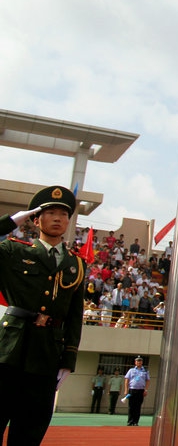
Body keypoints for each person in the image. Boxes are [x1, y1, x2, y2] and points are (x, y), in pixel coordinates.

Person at [0, 185, 85, 444]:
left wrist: (68, 358)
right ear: (36, 219)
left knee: (30, 430)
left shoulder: (75, 264)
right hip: (9, 351)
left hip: (46, 355)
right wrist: (13, 220)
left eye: (63, 214)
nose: (58, 218)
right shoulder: (14, 252)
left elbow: (74, 315)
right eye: (50, 213)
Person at [123, 355, 150, 426]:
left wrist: (146, 390)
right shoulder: (131, 370)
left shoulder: (145, 371)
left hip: (140, 390)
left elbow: (147, 381)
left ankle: (136, 422)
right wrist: (126, 390)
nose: (139, 362)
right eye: (137, 361)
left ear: (142, 362)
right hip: (132, 389)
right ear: (135, 362)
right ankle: (130, 421)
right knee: (131, 406)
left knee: (138, 406)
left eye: (140, 361)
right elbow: (126, 380)